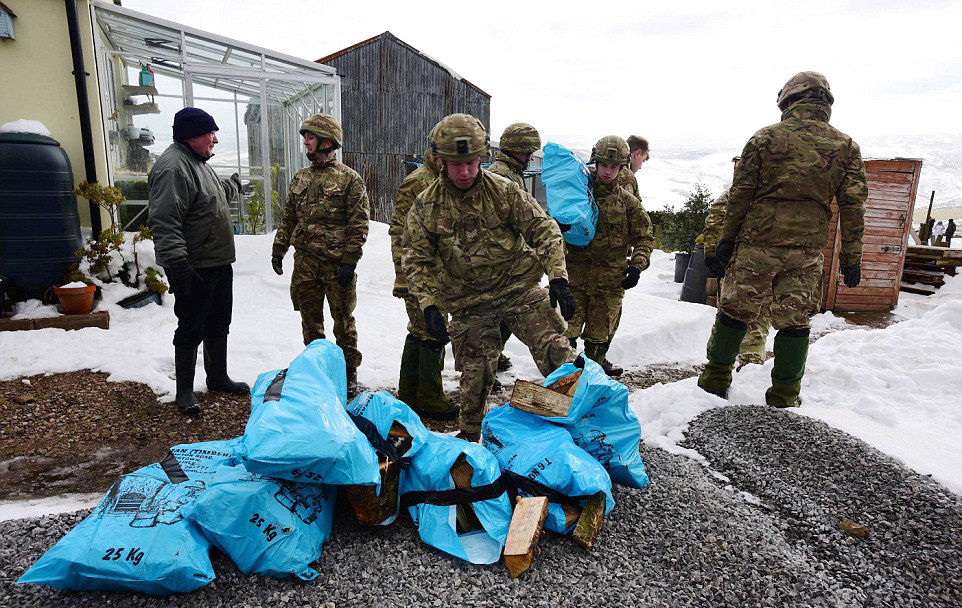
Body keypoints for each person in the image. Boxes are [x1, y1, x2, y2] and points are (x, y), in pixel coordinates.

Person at [404, 113, 577, 441]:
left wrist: (558, 277)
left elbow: (542, 227)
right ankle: (470, 442)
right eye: (457, 164)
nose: (466, 171)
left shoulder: (503, 191)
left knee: (557, 351)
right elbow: (416, 260)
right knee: (475, 379)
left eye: (472, 162)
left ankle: (578, 423)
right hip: (470, 304)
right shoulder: (427, 206)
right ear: (441, 161)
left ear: (482, 156)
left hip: (518, 289)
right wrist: (429, 305)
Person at [698, 71, 866, 407]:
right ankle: (785, 396)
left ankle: (714, 381)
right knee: (796, 321)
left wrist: (725, 241)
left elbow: (740, 194)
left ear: (788, 100)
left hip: (757, 244)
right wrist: (851, 257)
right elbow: (853, 205)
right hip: (805, 250)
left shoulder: (765, 138)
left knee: (734, 312)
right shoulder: (845, 146)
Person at [148, 107, 248, 416]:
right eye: (210, 134)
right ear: (192, 136)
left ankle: (217, 377)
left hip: (217, 262)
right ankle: (185, 391)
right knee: (191, 325)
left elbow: (211, 198)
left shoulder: (197, 163)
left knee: (219, 321)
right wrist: (178, 265)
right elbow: (165, 222)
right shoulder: (173, 168)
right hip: (194, 265)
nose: (215, 140)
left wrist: (233, 185)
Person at [271, 113, 370, 396]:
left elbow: (359, 223)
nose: (305, 142)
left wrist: (350, 261)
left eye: (310, 137)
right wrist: (279, 248)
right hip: (305, 264)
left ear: (327, 141)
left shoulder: (350, 179)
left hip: (336, 265)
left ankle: (349, 371)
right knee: (310, 320)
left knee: (343, 321)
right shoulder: (300, 177)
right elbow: (289, 217)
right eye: (305, 137)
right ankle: (317, 368)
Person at [564, 135, 654, 376]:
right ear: (595, 162)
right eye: (603, 165)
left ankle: (591, 386)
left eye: (614, 167)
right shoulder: (577, 195)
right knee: (565, 336)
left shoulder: (628, 203)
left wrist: (636, 266)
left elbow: (645, 237)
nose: (607, 171)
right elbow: (552, 229)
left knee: (598, 339)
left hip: (609, 283)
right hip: (574, 279)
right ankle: (563, 385)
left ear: (622, 167)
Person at [390, 123, 458, 420]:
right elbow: (398, 232)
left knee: (420, 330)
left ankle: (411, 395)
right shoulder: (419, 181)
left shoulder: (443, 180)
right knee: (430, 332)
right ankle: (429, 397)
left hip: (441, 274)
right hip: (421, 275)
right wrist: (403, 277)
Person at [487, 122, 544, 380]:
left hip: (509, 256)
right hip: (501, 260)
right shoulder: (501, 176)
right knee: (498, 314)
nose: (531, 157)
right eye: (528, 151)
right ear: (516, 150)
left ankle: (494, 356)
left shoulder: (512, 173)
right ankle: (488, 364)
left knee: (503, 314)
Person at [702, 158, 771, 368]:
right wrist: (713, 256)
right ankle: (746, 364)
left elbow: (714, 221)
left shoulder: (737, 196)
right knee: (752, 318)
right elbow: (714, 221)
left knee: (733, 317)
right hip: (749, 267)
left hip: (742, 267)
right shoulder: (764, 197)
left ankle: (726, 365)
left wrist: (712, 256)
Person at [615, 135, 649, 199]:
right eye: (643, 160)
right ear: (637, 153)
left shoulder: (608, 168)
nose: (640, 167)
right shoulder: (627, 178)